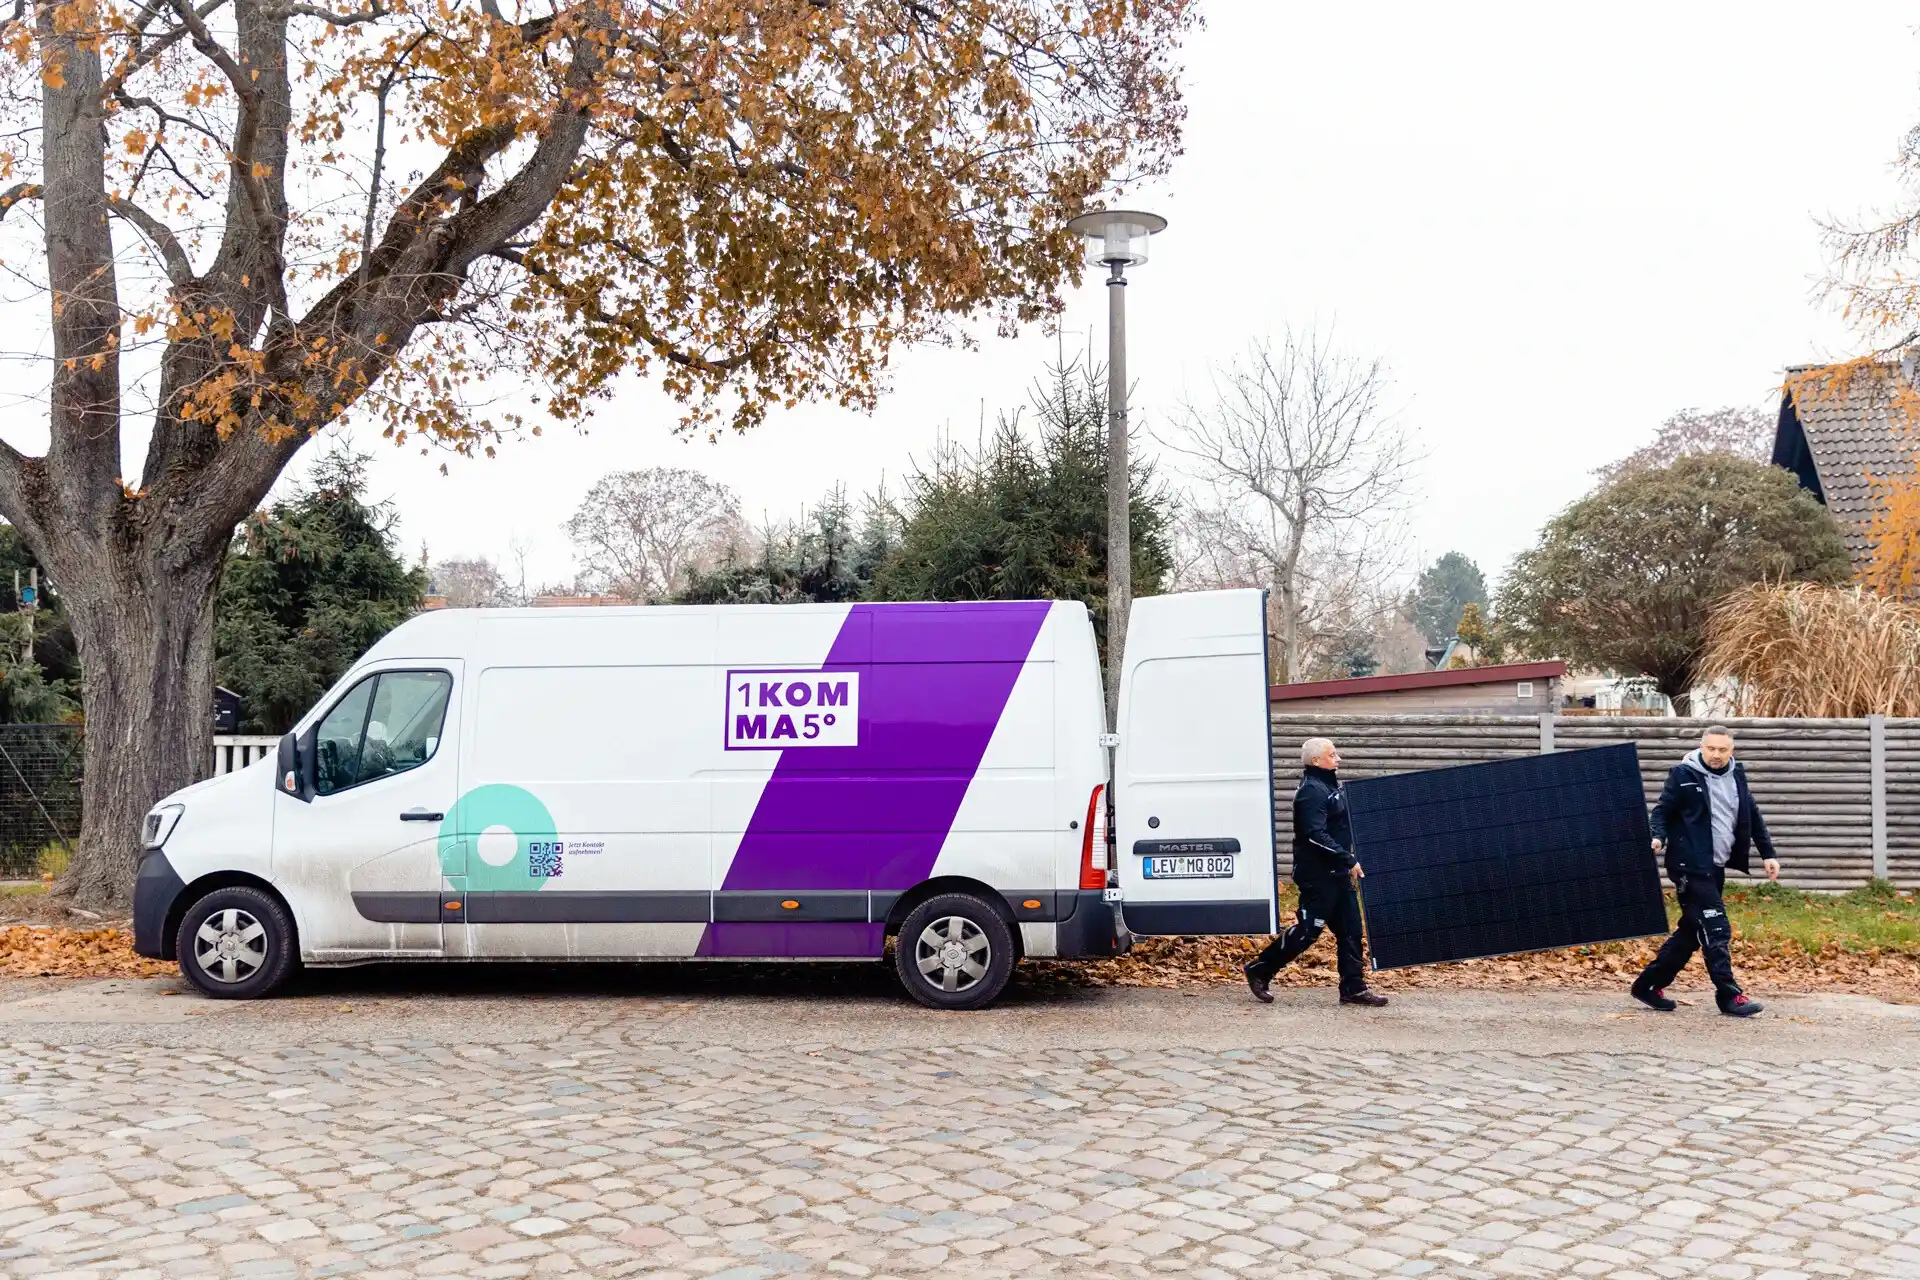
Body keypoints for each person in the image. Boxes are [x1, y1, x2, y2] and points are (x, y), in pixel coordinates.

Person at [1632, 725, 1780, 1017]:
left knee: (1691, 931)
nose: (1715, 755)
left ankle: (1648, 985)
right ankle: (1729, 995)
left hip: (1716, 865)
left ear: (1731, 750)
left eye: (1722, 750)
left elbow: (1751, 813)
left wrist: (1768, 854)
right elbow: (1662, 810)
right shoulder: (1683, 775)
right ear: (1702, 746)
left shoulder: (1737, 775)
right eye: (1710, 748)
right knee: (1716, 928)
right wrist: (1657, 836)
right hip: (1689, 865)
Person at [1244, 737, 1389, 1007]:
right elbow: (1314, 835)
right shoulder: (1311, 791)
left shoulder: (1328, 786)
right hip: (1317, 876)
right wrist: (1348, 858)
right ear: (1316, 761)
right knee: (1308, 931)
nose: (1338, 758)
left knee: (1351, 931)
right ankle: (1260, 969)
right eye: (1332, 754)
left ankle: (1353, 989)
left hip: (1337, 874)